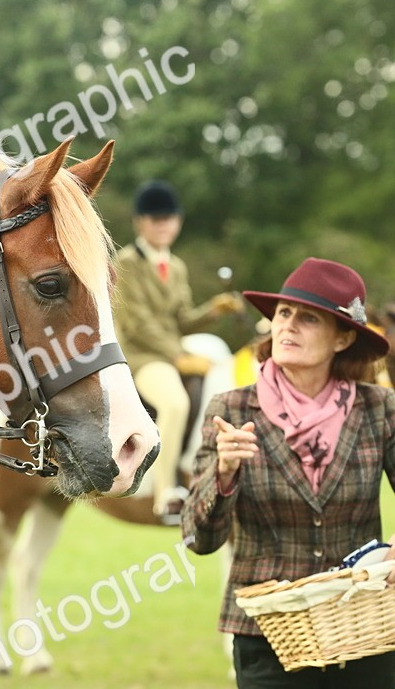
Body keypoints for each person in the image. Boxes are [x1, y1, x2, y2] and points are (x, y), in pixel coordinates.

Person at [182, 257, 395, 688]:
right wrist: (223, 475)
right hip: (266, 639)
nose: (287, 326)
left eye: (308, 318)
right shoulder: (231, 409)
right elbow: (199, 539)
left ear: (343, 338)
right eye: (283, 313)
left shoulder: (380, 409)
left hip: (366, 629)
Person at [112, 179, 243, 520]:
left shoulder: (178, 266)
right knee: (175, 403)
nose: (164, 226)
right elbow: (138, 324)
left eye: (169, 219)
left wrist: (215, 309)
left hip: (170, 351)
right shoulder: (126, 262)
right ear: (140, 222)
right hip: (141, 356)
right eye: (156, 219)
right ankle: (164, 490)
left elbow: (182, 320)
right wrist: (179, 357)